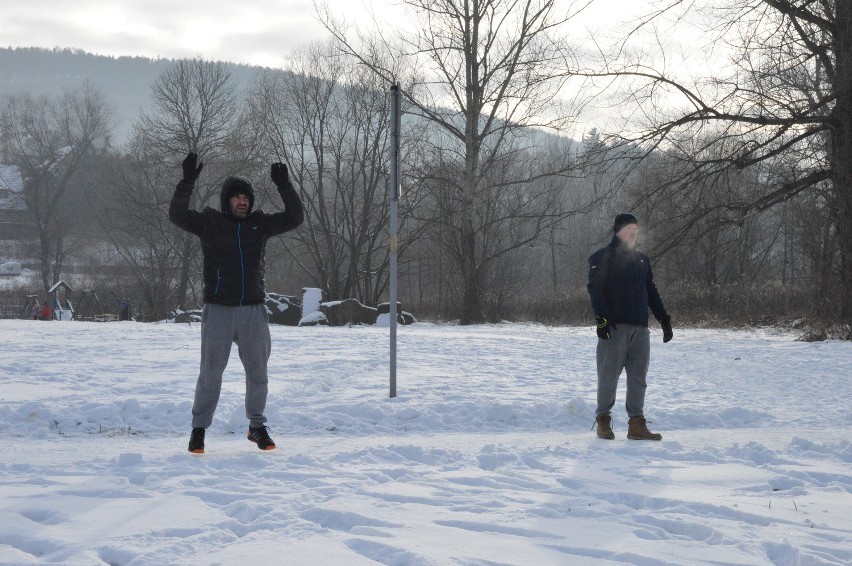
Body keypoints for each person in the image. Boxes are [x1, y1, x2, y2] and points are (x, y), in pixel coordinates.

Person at [169, 152, 304, 454]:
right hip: (218, 309)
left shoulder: (259, 225)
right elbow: (177, 215)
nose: (242, 201)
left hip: (253, 310)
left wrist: (284, 186)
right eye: (237, 197)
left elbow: (296, 218)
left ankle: (256, 426)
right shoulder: (210, 224)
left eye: (246, 197)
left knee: (258, 372)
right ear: (226, 201)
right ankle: (199, 430)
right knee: (210, 372)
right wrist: (187, 181)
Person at [587, 213, 673, 441]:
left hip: (640, 329)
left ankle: (636, 424)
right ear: (617, 231)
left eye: (635, 229)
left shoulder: (642, 260)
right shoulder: (602, 257)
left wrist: (664, 319)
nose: (633, 233)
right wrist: (601, 320)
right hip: (614, 328)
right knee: (608, 376)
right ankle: (603, 420)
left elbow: (651, 291)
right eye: (628, 229)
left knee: (638, 378)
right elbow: (595, 290)